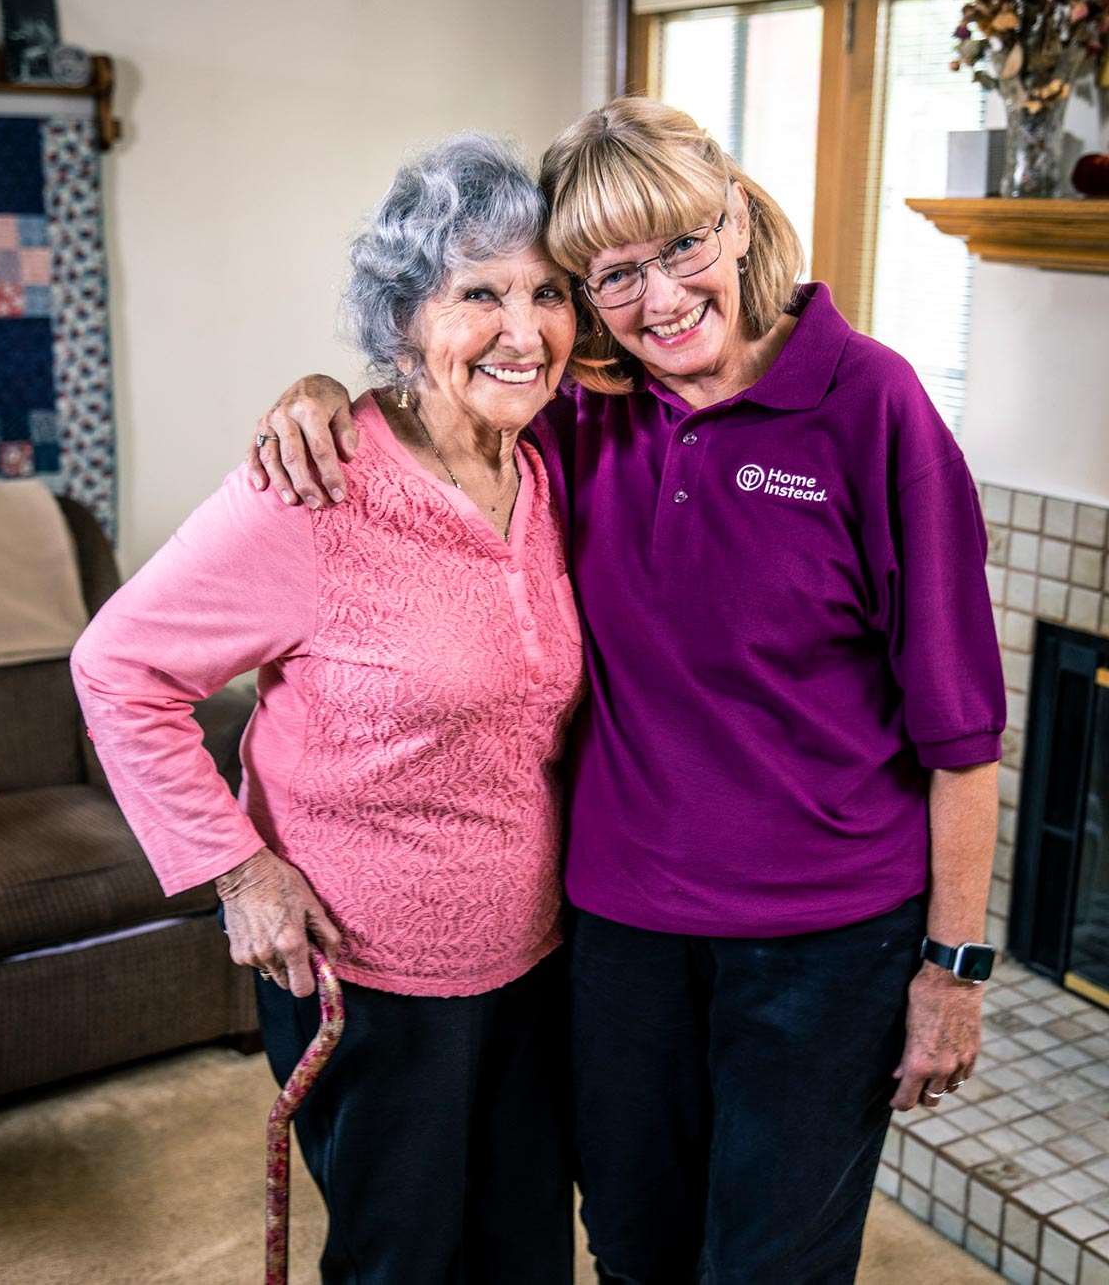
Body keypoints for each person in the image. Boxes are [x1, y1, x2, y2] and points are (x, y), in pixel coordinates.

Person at [244, 97, 1006, 1285]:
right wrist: (320, 391)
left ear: (739, 220)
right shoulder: (586, 412)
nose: (658, 300)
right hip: (621, 937)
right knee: (635, 1247)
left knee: (770, 1266)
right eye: (608, 275)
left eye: (682, 247)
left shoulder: (875, 404)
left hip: (825, 947)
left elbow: (962, 735)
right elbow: (448, 386)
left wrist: (952, 971)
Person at [71, 133, 588, 1285]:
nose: (524, 327)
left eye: (547, 291)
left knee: (523, 1257)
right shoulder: (314, 483)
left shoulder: (547, 465)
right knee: (400, 1262)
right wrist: (237, 871)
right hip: (372, 984)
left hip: (535, 964)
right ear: (408, 319)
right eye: (480, 294)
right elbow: (118, 667)